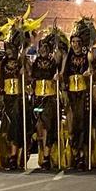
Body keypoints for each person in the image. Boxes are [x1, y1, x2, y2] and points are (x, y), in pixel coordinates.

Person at [62, 17, 95, 170]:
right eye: (73, 41)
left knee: (82, 123)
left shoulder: (87, 55)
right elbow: (63, 73)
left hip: (83, 94)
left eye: (77, 42)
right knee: (72, 123)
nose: (75, 44)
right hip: (71, 94)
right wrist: (61, 84)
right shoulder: (68, 56)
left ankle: (82, 156)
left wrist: (90, 71)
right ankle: (74, 154)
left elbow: (92, 68)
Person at [0, 23, 30, 169]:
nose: (8, 51)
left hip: (19, 98)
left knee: (16, 125)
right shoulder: (3, 63)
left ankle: (15, 156)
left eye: (11, 48)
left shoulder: (22, 61)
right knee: (6, 128)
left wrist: (25, 72)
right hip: (6, 99)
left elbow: (29, 78)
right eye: (7, 48)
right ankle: (8, 154)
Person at [31, 29, 65, 170]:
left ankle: (46, 156)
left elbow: (61, 64)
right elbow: (31, 77)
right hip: (37, 98)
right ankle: (41, 153)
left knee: (47, 126)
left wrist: (60, 74)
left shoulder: (54, 61)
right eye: (41, 47)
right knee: (38, 126)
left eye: (46, 47)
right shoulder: (35, 62)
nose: (43, 50)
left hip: (50, 98)